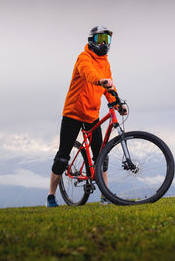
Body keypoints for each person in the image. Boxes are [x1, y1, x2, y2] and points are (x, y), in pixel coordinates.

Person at [46, 26, 127, 207]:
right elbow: (88, 73)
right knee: (62, 157)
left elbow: (109, 87)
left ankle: (105, 194)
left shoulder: (105, 63)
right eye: (100, 39)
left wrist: (117, 103)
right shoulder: (83, 58)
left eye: (107, 39)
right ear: (92, 40)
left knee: (101, 156)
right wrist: (100, 80)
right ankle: (51, 196)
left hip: (91, 114)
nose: (104, 43)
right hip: (73, 113)